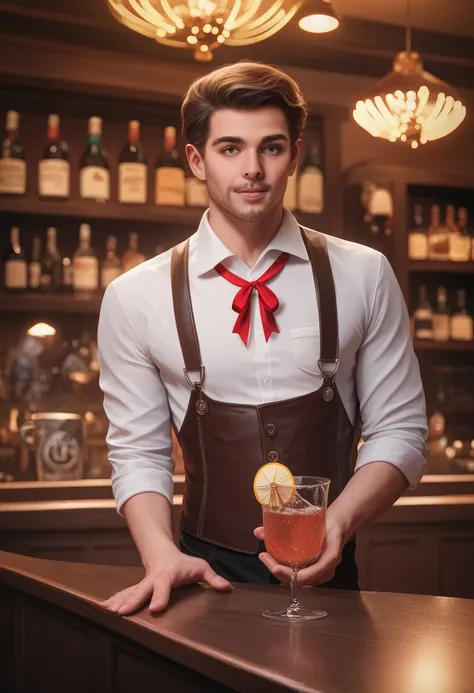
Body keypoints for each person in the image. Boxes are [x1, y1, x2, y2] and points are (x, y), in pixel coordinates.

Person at [98, 61, 428, 616]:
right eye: (230, 149)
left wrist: (338, 523)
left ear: (295, 156)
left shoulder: (365, 273)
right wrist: (159, 557)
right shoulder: (135, 295)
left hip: (332, 574)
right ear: (196, 160)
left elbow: (401, 430)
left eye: (271, 148)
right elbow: (138, 451)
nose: (253, 169)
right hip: (199, 576)